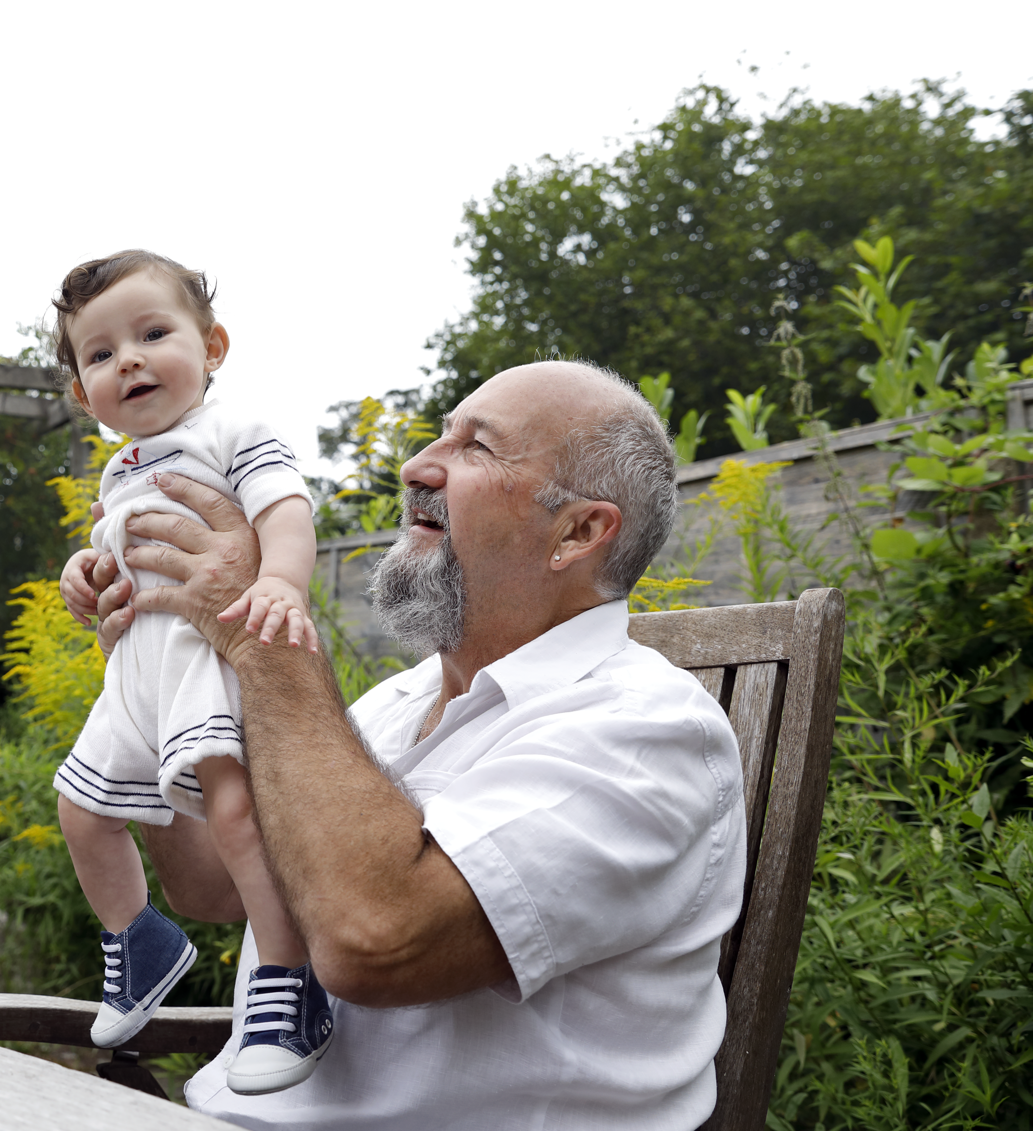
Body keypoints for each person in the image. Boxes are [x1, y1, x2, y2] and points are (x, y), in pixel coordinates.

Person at [78, 360, 745, 1129]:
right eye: (441, 434)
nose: (417, 466)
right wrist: (158, 677)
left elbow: (373, 943)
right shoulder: (391, 708)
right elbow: (212, 891)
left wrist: (259, 643)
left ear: (579, 532)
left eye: (476, 447)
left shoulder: (644, 731)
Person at [50, 250, 332, 1095]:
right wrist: (85, 573)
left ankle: (288, 981)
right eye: (100, 354)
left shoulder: (231, 432)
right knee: (81, 809)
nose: (128, 361)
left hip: (206, 658)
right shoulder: (120, 470)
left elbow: (286, 510)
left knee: (236, 811)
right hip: (135, 674)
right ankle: (141, 941)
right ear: (84, 395)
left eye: (152, 334)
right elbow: (121, 554)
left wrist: (280, 582)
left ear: (213, 347)